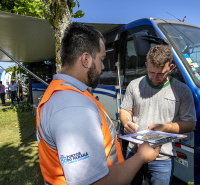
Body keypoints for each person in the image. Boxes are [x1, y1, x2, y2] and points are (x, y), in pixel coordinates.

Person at [36, 22, 160, 185]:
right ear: (86, 59)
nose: (103, 67)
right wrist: (141, 156)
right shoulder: (73, 107)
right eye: (101, 59)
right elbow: (96, 182)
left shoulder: (65, 95)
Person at [120, 45, 196, 185]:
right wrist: (126, 123)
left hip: (163, 158)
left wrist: (164, 127)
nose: (155, 77)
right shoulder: (134, 85)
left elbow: (190, 123)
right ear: (146, 65)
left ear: (171, 68)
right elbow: (125, 110)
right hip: (134, 152)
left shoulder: (183, 91)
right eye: (151, 72)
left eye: (161, 73)